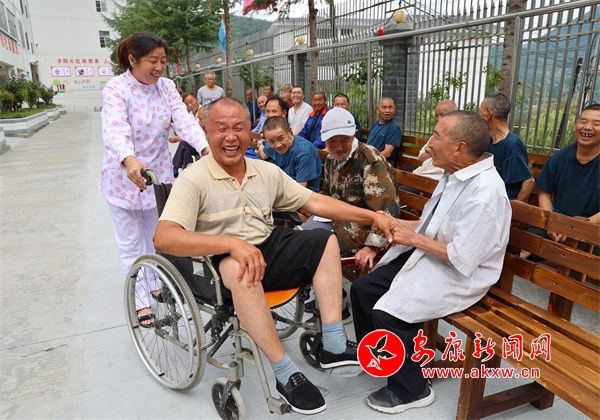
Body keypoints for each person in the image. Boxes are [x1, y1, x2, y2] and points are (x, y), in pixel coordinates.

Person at [154, 97, 396, 415]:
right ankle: (284, 372)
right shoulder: (194, 178)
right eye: (221, 128)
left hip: (266, 246)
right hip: (219, 262)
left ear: (250, 131)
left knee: (323, 240)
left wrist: (373, 216)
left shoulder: (265, 171)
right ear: (206, 131)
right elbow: (164, 237)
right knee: (240, 267)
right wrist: (232, 244)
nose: (231, 136)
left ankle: (334, 344)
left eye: (239, 127)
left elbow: (315, 202)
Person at [351, 111, 511, 414]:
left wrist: (411, 238)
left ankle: (412, 390)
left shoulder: (485, 192)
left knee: (389, 313)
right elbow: (432, 225)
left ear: (460, 148)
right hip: (432, 257)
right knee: (363, 290)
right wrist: (395, 224)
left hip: (461, 274)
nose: (429, 143)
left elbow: (462, 257)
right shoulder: (454, 174)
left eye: (437, 136)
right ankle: (383, 360)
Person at [98, 32, 209, 326]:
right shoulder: (116, 89)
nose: (159, 67)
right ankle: (140, 300)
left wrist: (205, 147)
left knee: (154, 237)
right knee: (129, 243)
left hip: (156, 176)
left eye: (163, 60)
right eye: (153, 60)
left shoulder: (167, 87)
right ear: (132, 60)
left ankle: (155, 284)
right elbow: (114, 129)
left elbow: (184, 120)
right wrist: (129, 158)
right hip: (123, 176)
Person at [521, 104, 600, 258]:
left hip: (591, 226)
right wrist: (551, 223)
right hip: (557, 221)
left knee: (584, 261)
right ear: (575, 126)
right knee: (524, 247)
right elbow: (544, 193)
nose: (587, 127)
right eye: (583, 121)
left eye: (596, 123)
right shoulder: (559, 157)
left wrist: (576, 228)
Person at [479, 93, 534, 201]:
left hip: (503, 204)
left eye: (480, 111)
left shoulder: (512, 145)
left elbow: (529, 182)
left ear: (490, 113)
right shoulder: (487, 139)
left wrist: (513, 209)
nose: (479, 115)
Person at [398, 100, 457, 194]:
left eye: (442, 115)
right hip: (418, 175)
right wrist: (434, 151)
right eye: (436, 115)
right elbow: (421, 158)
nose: (438, 119)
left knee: (398, 193)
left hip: (431, 181)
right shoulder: (434, 136)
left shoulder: (457, 137)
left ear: (454, 114)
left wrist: (431, 150)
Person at [258, 116, 321, 192]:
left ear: (289, 131)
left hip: (303, 193)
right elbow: (263, 156)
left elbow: (300, 190)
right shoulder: (273, 140)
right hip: (280, 185)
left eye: (281, 138)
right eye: (271, 141)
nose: (277, 145)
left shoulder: (304, 152)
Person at [170, 92, 203, 176]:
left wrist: (179, 138)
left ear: (197, 100)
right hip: (193, 143)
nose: (190, 105)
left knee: (183, 143)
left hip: (203, 143)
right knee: (186, 151)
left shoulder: (203, 112)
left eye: (191, 102)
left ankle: (176, 167)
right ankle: (188, 173)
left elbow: (199, 132)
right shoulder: (190, 115)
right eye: (187, 104)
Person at [367, 98, 402, 163]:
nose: (387, 110)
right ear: (378, 109)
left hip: (380, 163)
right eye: (384, 107)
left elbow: (387, 153)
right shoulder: (375, 124)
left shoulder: (394, 128)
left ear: (394, 109)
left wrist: (368, 160)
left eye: (390, 107)